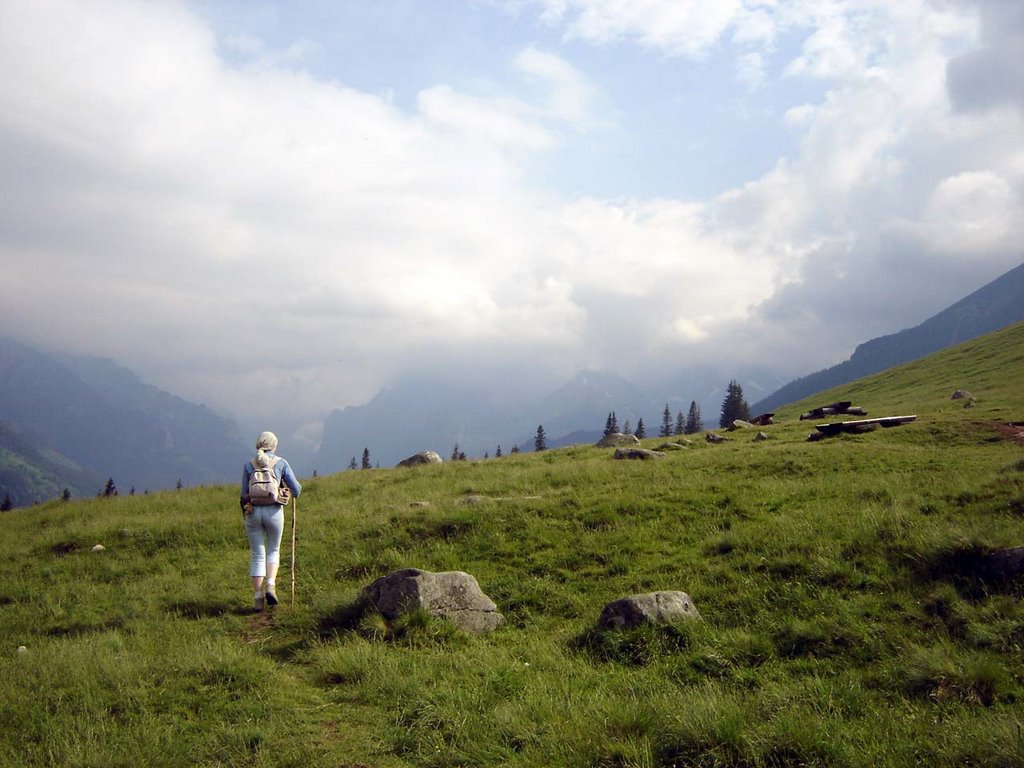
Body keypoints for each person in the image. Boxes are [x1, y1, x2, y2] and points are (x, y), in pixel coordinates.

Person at [240, 431, 301, 612]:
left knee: (258, 554)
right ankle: (271, 587)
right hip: (274, 511)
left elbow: (244, 493)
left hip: (252, 512)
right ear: (274, 446)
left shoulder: (248, 465)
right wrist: (286, 491)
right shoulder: (281, 463)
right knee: (273, 550)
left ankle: (258, 598)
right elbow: (296, 489)